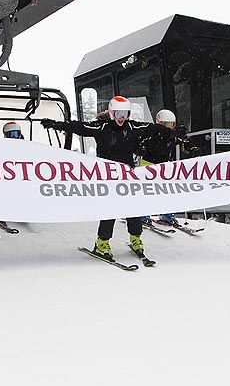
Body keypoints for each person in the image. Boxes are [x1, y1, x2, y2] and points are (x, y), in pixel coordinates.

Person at [41, 96, 155, 262]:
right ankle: (102, 242)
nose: (121, 118)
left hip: (128, 175)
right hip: (108, 176)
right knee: (110, 209)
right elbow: (78, 127)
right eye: (117, 114)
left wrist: (171, 133)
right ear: (111, 113)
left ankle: (135, 238)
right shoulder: (102, 127)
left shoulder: (132, 126)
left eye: (125, 113)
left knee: (133, 208)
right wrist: (55, 124)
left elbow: (152, 130)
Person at [137, 109, 200, 226]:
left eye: (170, 125)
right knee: (147, 190)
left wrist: (192, 148)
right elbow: (139, 142)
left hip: (164, 165)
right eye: (165, 125)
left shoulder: (173, 136)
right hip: (148, 165)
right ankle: (143, 214)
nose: (168, 128)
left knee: (166, 191)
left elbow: (184, 142)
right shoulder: (152, 133)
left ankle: (166, 214)